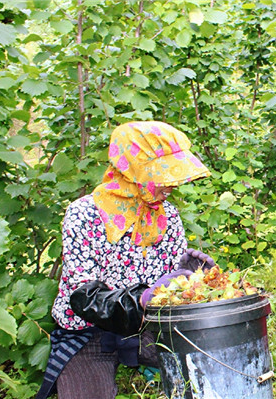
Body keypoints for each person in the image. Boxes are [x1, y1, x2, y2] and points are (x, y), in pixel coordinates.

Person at [36, 121, 216, 399]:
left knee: (209, 370)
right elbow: (83, 298)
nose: (171, 185)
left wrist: (190, 277)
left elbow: (170, 288)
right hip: (91, 332)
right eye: (162, 175)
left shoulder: (167, 215)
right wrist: (141, 299)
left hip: (151, 327)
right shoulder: (85, 214)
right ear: (132, 171)